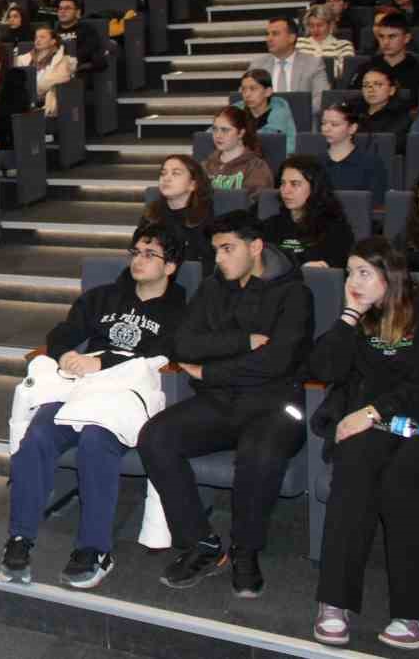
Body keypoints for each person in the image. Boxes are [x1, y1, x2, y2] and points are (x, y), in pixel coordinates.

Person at [2, 224, 188, 589]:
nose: (139, 260)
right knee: (38, 435)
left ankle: (94, 548)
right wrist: (67, 354)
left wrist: (101, 364)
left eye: (151, 254)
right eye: (136, 252)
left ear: (171, 266)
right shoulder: (103, 296)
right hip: (83, 386)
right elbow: (62, 333)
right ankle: (20, 537)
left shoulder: (180, 309)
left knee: (94, 440)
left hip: (127, 392)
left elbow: (166, 354)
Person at [138, 210, 312, 598]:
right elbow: (182, 343)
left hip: (276, 406)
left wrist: (209, 372)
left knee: (258, 453)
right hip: (223, 403)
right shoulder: (214, 287)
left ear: (255, 247)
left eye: (228, 249)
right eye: (216, 250)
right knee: (156, 437)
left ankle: (245, 550)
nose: (219, 258)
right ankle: (201, 543)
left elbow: (277, 362)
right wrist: (242, 341)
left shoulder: (294, 293)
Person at [310, 238, 419, 650]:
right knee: (353, 463)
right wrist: (349, 315)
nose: (354, 282)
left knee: (399, 482)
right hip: (383, 426)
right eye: (349, 272)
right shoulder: (362, 317)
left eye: (364, 273)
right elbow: (323, 367)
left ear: (391, 274)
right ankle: (335, 601)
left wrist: (371, 412)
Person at [260, 156, 351, 269]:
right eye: (283, 183)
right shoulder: (270, 225)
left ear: (314, 187)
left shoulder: (335, 228)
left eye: (295, 184)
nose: (286, 191)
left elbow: (336, 271)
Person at [141, 155, 215, 273]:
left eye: (175, 173)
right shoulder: (152, 212)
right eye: (163, 173)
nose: (166, 178)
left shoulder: (204, 216)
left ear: (192, 185)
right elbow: (138, 251)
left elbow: (203, 261)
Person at [250, 16, 328, 112]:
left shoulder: (313, 64)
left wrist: (291, 114)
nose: (269, 39)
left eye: (275, 34)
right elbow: (245, 96)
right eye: (267, 34)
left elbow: (322, 99)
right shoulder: (257, 65)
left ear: (291, 38)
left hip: (301, 122)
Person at [319, 104, 388, 206]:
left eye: (334, 124)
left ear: (352, 128)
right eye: (324, 123)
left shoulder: (371, 163)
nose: (326, 129)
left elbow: (377, 204)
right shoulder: (315, 163)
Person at [202, 107, 274, 197]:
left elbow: (256, 204)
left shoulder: (256, 167)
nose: (218, 135)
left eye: (225, 130)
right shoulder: (206, 165)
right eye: (215, 129)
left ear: (241, 133)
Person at [14, 26, 76, 118]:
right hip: (24, 102)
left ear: (53, 41)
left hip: (48, 105)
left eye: (42, 37)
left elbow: (52, 81)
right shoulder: (23, 59)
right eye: (36, 38)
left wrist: (29, 88)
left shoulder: (63, 60)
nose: (38, 40)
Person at [235, 69, 296, 156]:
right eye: (244, 89)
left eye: (253, 89)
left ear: (268, 92)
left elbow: (286, 148)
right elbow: (213, 134)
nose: (247, 94)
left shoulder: (280, 112)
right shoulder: (235, 110)